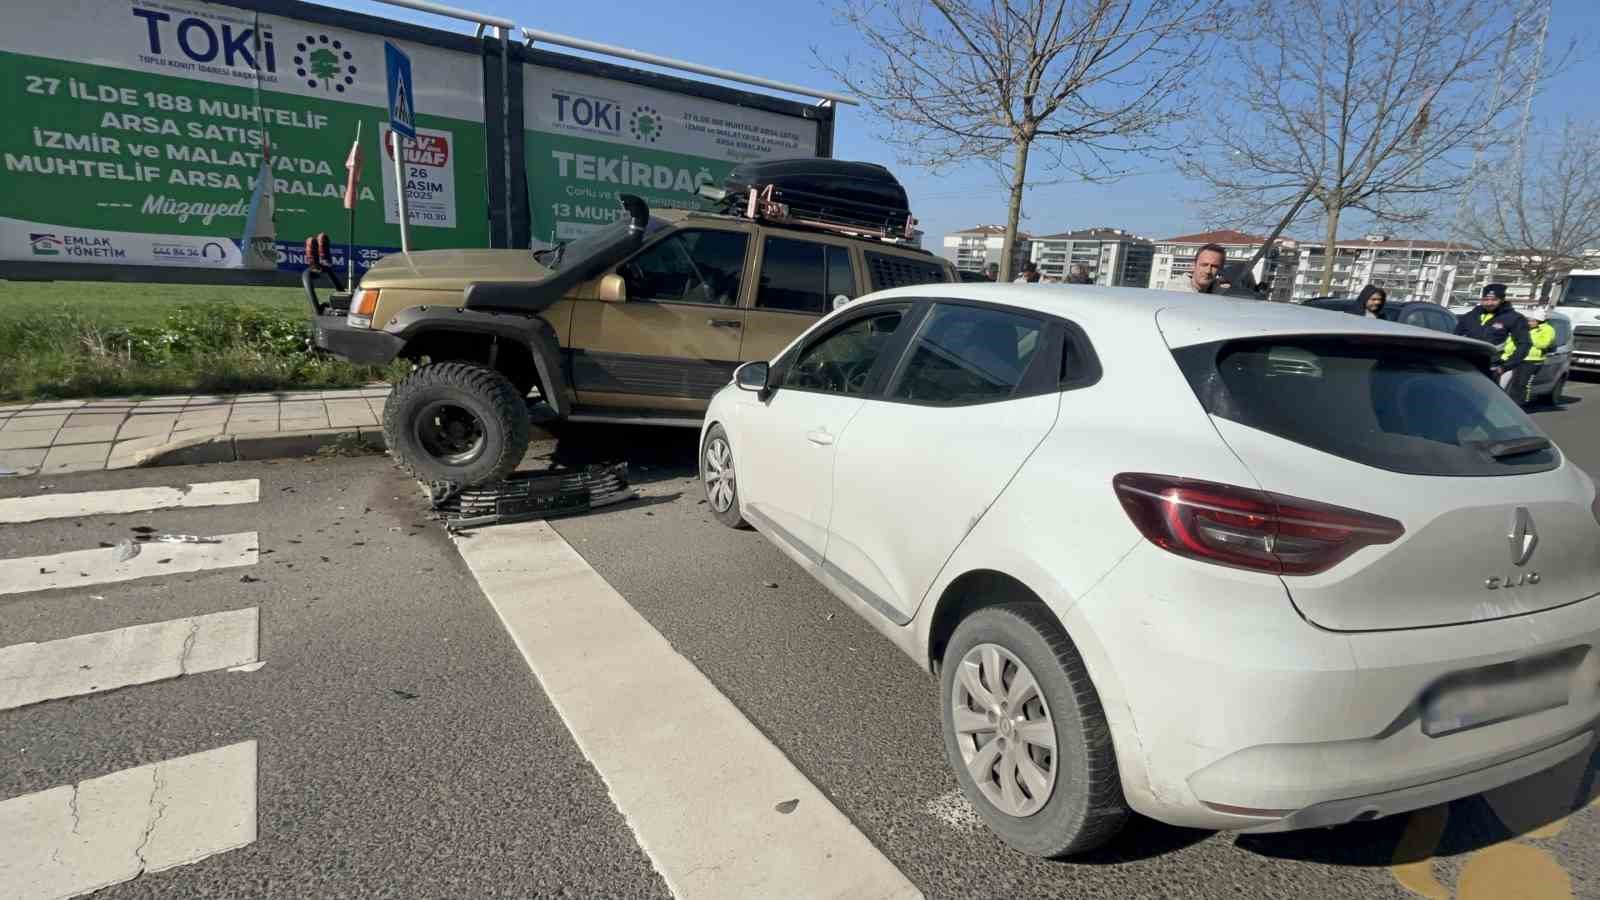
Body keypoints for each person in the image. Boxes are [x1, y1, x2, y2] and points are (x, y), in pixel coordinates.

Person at [1455, 283, 1531, 391]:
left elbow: (1524, 344)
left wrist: (1505, 367)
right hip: (1465, 367)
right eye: (1486, 299)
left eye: (1494, 300)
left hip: (1492, 369)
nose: (1489, 303)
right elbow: (1456, 336)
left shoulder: (1514, 318)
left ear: (1502, 300)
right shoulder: (1471, 315)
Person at [1502, 307, 1557, 405]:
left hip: (1532, 360)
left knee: (1523, 383)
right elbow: (1511, 341)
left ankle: (1520, 403)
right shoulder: (1524, 327)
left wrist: (1527, 337)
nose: (1529, 322)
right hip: (1516, 357)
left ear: (1539, 321)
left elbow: (1543, 344)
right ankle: (1510, 403)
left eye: (1531, 320)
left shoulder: (1548, 330)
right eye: (1528, 320)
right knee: (1512, 382)